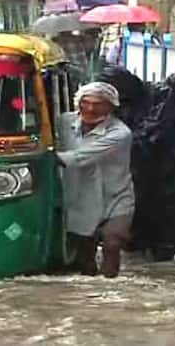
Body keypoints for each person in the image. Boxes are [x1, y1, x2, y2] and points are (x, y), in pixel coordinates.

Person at [56, 82, 136, 278]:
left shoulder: (120, 133)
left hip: (116, 197)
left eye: (98, 104)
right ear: (78, 103)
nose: (91, 109)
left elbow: (81, 157)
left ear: (110, 107)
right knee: (85, 259)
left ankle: (111, 292)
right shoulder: (64, 122)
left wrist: (45, 158)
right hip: (80, 197)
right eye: (86, 103)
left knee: (113, 242)